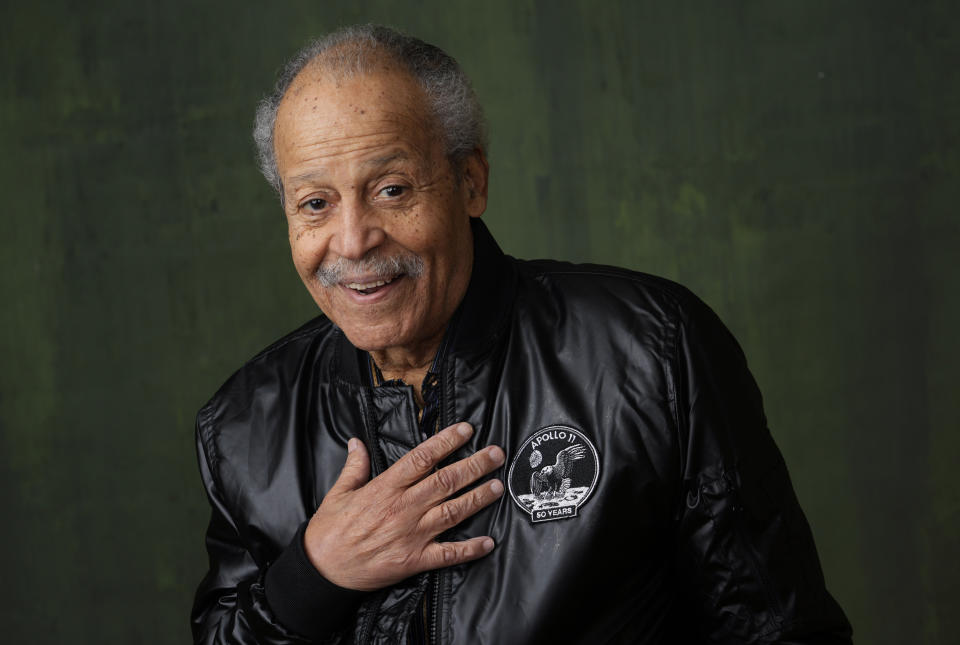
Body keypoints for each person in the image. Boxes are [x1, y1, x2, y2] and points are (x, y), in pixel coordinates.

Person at [191, 24, 852, 644]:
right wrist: (314, 573)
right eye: (315, 203)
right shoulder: (245, 425)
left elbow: (777, 628)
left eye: (391, 189)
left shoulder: (648, 352)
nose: (354, 240)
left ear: (469, 181)